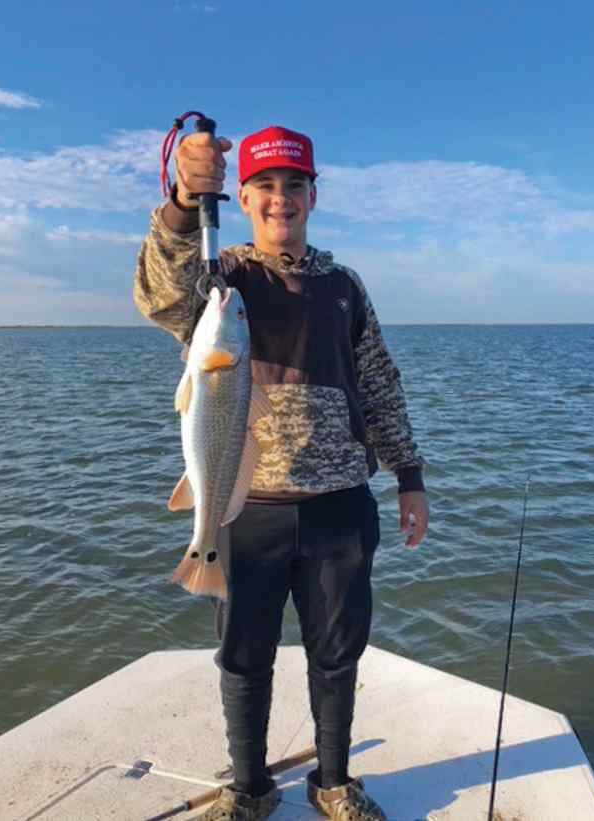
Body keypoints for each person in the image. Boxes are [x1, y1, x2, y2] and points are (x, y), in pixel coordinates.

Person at [133, 124, 429, 821]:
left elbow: (380, 383)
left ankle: (332, 780)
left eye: (293, 185)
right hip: (245, 504)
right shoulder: (222, 278)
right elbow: (161, 294)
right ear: (241, 197)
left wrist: (408, 475)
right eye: (264, 186)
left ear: (313, 195)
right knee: (243, 656)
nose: (280, 199)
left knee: (337, 653)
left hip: (339, 507)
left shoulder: (345, 286)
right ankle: (249, 788)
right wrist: (181, 200)